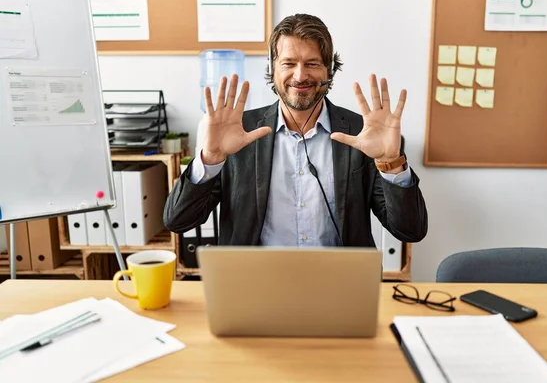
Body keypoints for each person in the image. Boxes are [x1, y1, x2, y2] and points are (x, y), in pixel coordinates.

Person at [163, 13, 427, 247]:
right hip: (254, 288)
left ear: (330, 69)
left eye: (312, 63)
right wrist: (210, 159)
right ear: (273, 68)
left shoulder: (362, 133)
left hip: (340, 288)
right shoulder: (237, 133)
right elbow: (177, 221)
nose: (300, 76)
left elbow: (410, 231)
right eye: (288, 63)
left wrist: (391, 164)